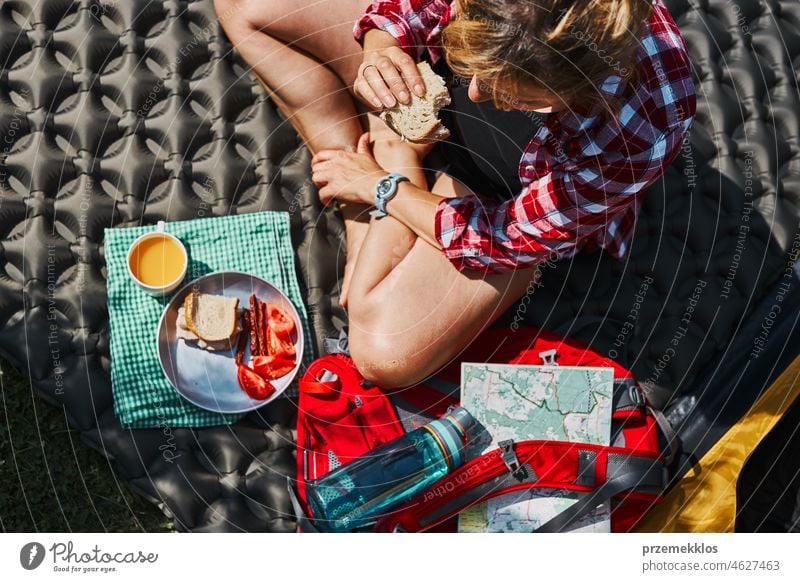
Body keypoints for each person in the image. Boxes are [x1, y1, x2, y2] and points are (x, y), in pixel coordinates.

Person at [215, 0, 696, 388]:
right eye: (473, 67)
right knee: (245, 6)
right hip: (422, 110)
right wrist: (382, 48)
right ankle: (355, 179)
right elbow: (411, 8)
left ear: (577, 91)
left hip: (495, 199)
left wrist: (387, 182)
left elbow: (508, 237)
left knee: (384, 352)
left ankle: (378, 167)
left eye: (513, 94)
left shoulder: (647, 121)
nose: (477, 94)